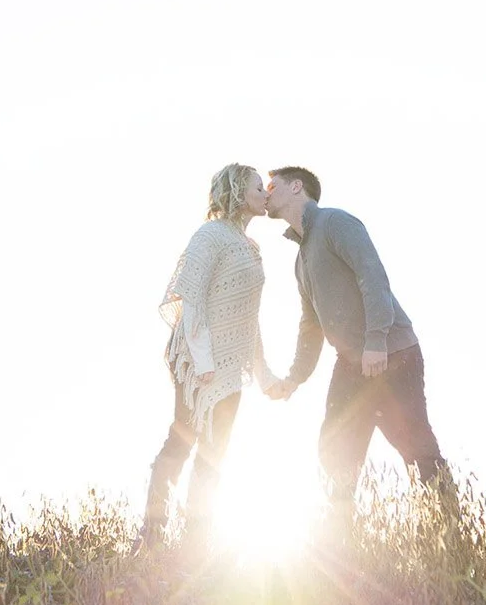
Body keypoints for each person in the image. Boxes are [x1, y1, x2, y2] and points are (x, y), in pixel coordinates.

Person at [264, 166, 460, 539]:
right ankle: (342, 538)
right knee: (334, 446)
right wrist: (294, 377)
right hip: (352, 363)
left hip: (392, 352)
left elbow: (372, 276)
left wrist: (375, 341)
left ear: (296, 187)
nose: (266, 193)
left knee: (415, 444)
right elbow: (311, 325)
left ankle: (451, 534)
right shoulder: (300, 260)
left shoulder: (335, 223)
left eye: (272, 185)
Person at [137, 163, 279, 555]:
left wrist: (264, 376)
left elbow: (248, 319)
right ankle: (151, 535)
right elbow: (192, 297)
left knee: (216, 452)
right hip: (197, 362)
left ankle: (196, 541)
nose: (265, 194)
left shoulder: (251, 247)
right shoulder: (210, 235)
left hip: (231, 368)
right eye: (257, 187)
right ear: (236, 192)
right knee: (181, 441)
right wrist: (202, 362)